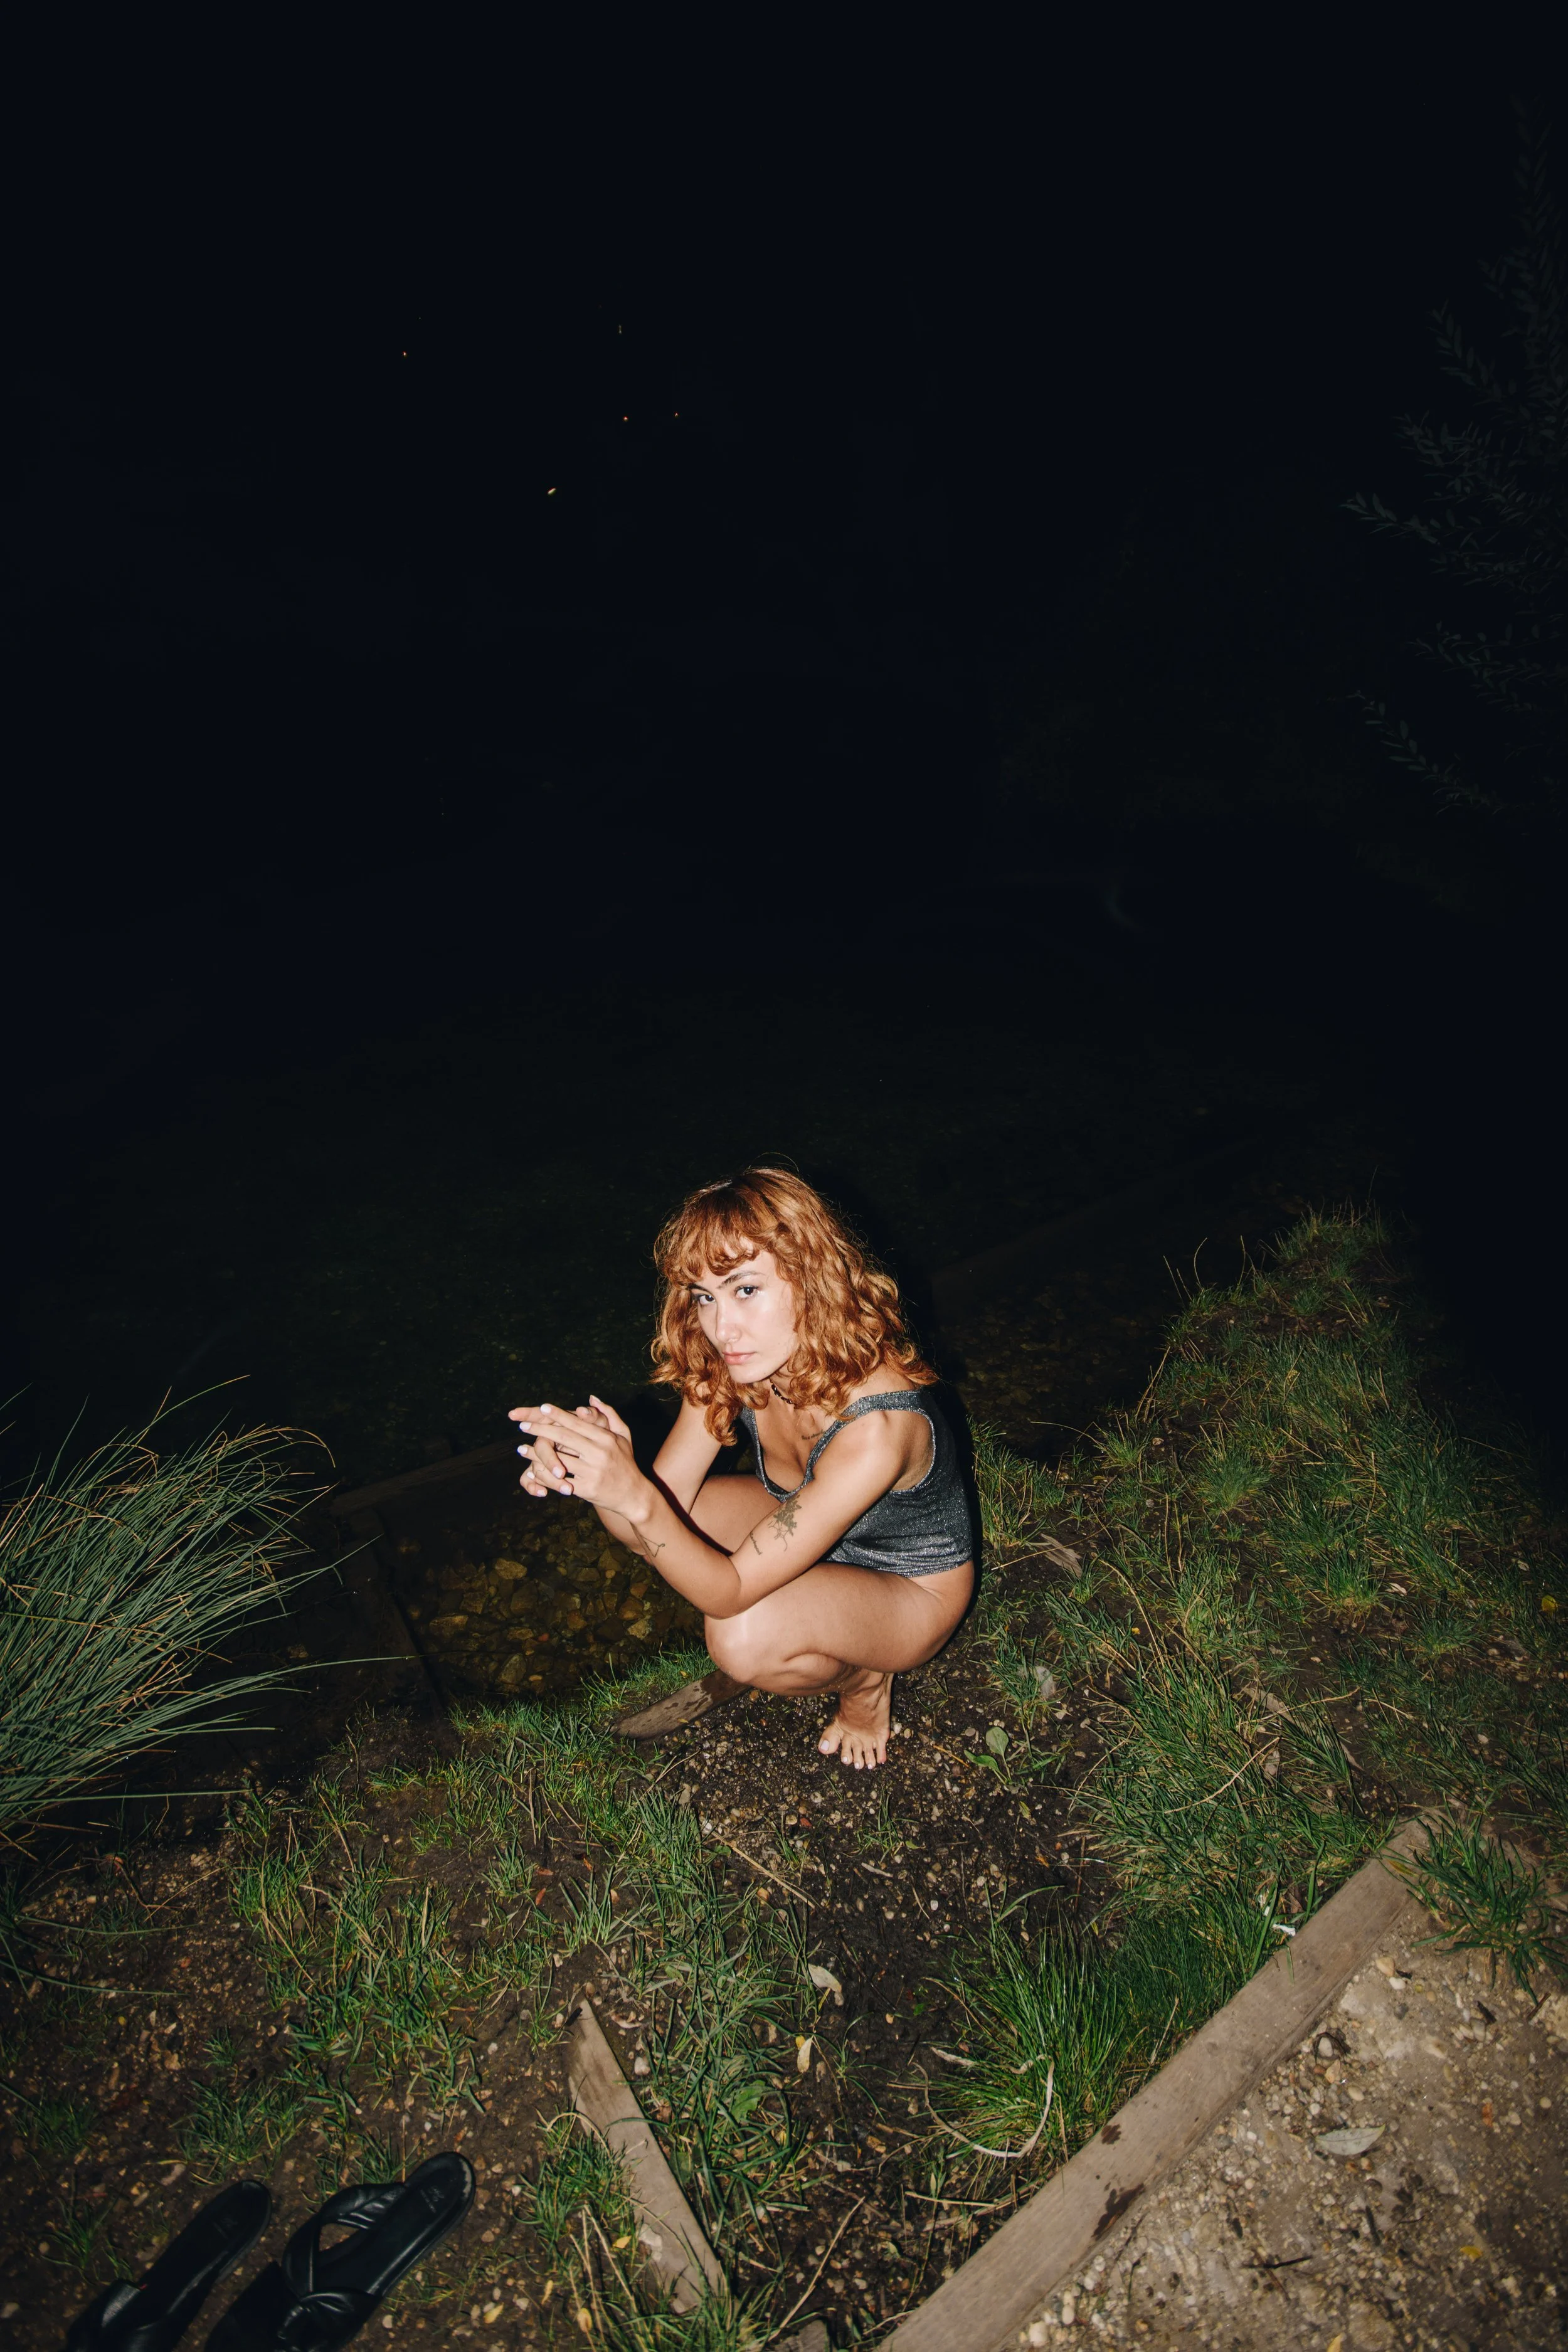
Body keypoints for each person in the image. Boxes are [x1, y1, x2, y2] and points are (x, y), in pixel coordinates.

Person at [509, 1168, 973, 1767]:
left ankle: (865, 1684)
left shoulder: (876, 1430)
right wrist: (600, 1471)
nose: (722, 1328)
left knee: (741, 1637)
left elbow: (727, 1595)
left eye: (745, 1289)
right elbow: (640, 1532)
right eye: (705, 1296)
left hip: (910, 1588)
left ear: (813, 1278)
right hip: (812, 1530)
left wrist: (638, 1496)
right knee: (674, 1519)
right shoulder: (737, 1363)